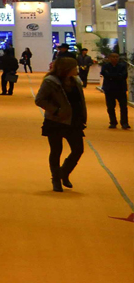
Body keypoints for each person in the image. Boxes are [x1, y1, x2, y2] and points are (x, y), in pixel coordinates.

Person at [35, 57, 86, 192]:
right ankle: (56, 179)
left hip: (74, 121)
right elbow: (40, 100)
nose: (76, 69)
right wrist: (56, 111)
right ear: (66, 68)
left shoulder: (76, 81)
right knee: (56, 151)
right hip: (55, 121)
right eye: (74, 67)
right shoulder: (51, 82)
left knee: (78, 150)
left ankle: (64, 172)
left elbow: (80, 101)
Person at [99, 50, 130, 130]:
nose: (115, 58)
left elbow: (124, 76)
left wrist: (111, 76)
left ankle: (124, 123)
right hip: (109, 89)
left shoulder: (122, 66)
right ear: (109, 58)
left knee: (123, 107)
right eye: (113, 57)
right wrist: (116, 76)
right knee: (110, 107)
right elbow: (104, 74)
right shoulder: (105, 66)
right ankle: (113, 122)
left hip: (121, 89)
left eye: (117, 57)